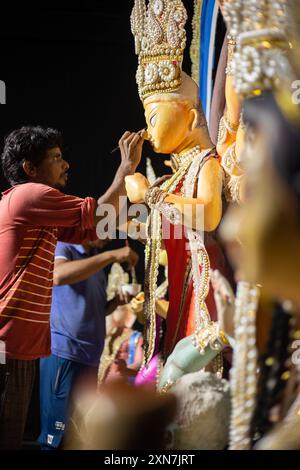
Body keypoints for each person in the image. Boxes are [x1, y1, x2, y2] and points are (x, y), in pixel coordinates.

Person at [0, 125, 144, 449]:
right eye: (56, 158)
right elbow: (95, 217)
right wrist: (125, 170)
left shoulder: (43, 218)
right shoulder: (30, 195)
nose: (65, 165)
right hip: (8, 344)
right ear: (30, 168)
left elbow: (95, 227)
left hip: (19, 347)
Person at [126, 0, 228, 372]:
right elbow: (172, 226)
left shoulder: (207, 164)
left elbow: (209, 214)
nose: (149, 130)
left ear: (191, 114)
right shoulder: (179, 172)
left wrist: (150, 195)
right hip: (185, 289)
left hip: (208, 291)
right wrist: (136, 227)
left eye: (153, 117)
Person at [39, 240, 138, 449]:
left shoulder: (95, 263)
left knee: (79, 435)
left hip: (90, 359)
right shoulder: (64, 247)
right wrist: (111, 256)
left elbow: (98, 309)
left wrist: (116, 303)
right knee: (56, 436)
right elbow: (58, 275)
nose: (106, 236)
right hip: (65, 353)